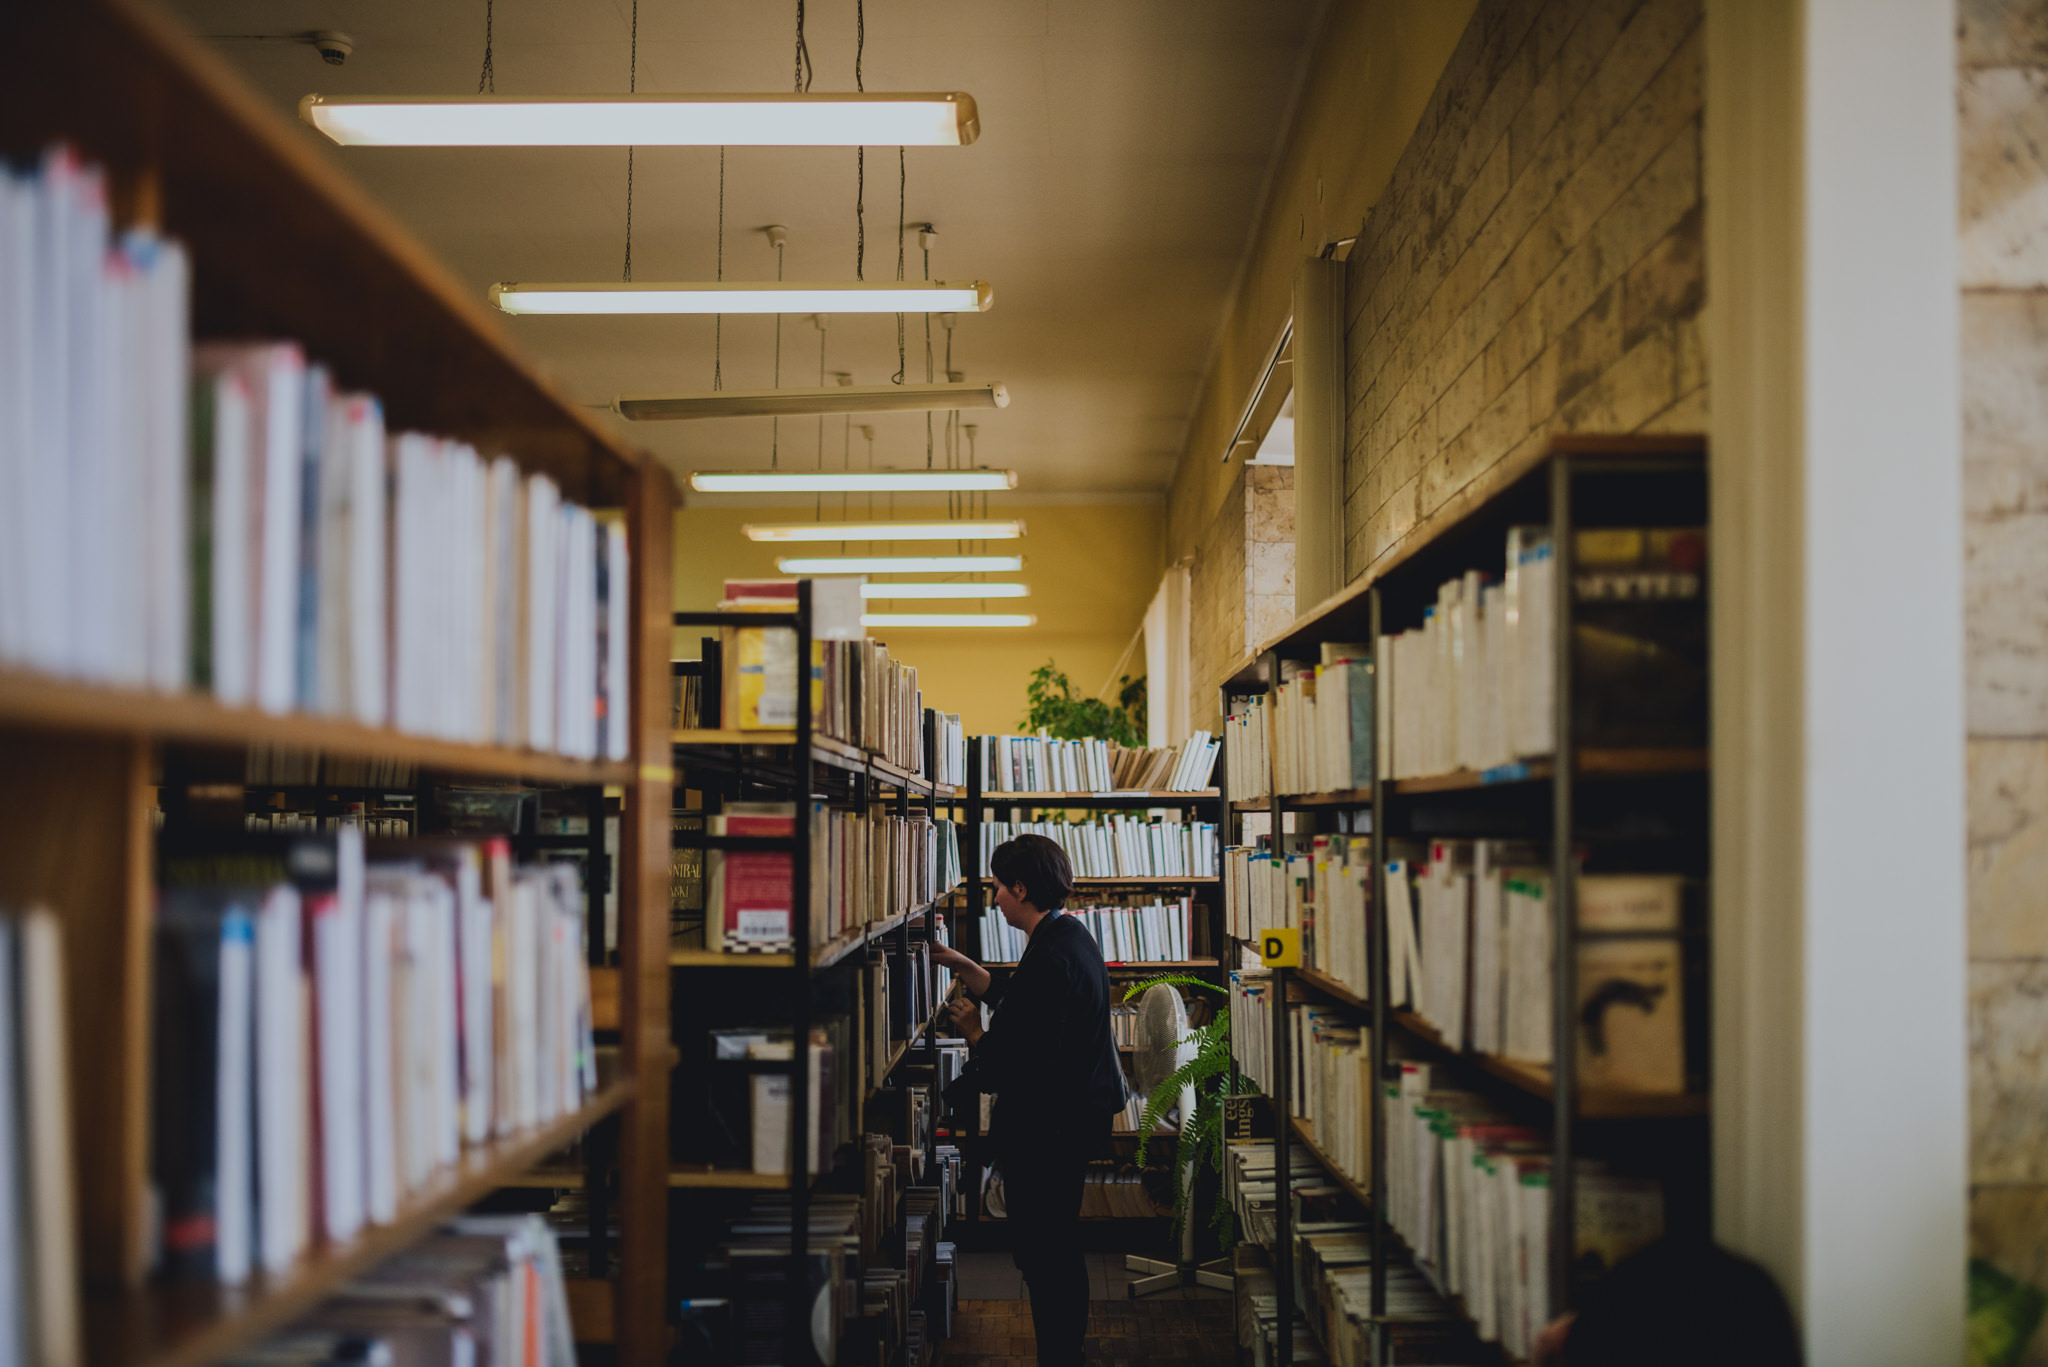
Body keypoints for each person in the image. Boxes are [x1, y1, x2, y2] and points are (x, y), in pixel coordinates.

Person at [932, 834, 1125, 1367]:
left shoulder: (1051, 956)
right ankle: (1065, 1350)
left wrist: (973, 1032)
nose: (994, 899)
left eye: (997, 887)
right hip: (1071, 1117)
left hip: (1052, 1126)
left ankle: (1059, 1354)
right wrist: (956, 960)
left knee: (1046, 1250)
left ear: (1020, 888)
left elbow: (1012, 1060)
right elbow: (1019, 1002)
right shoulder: (1065, 935)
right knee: (1055, 1243)